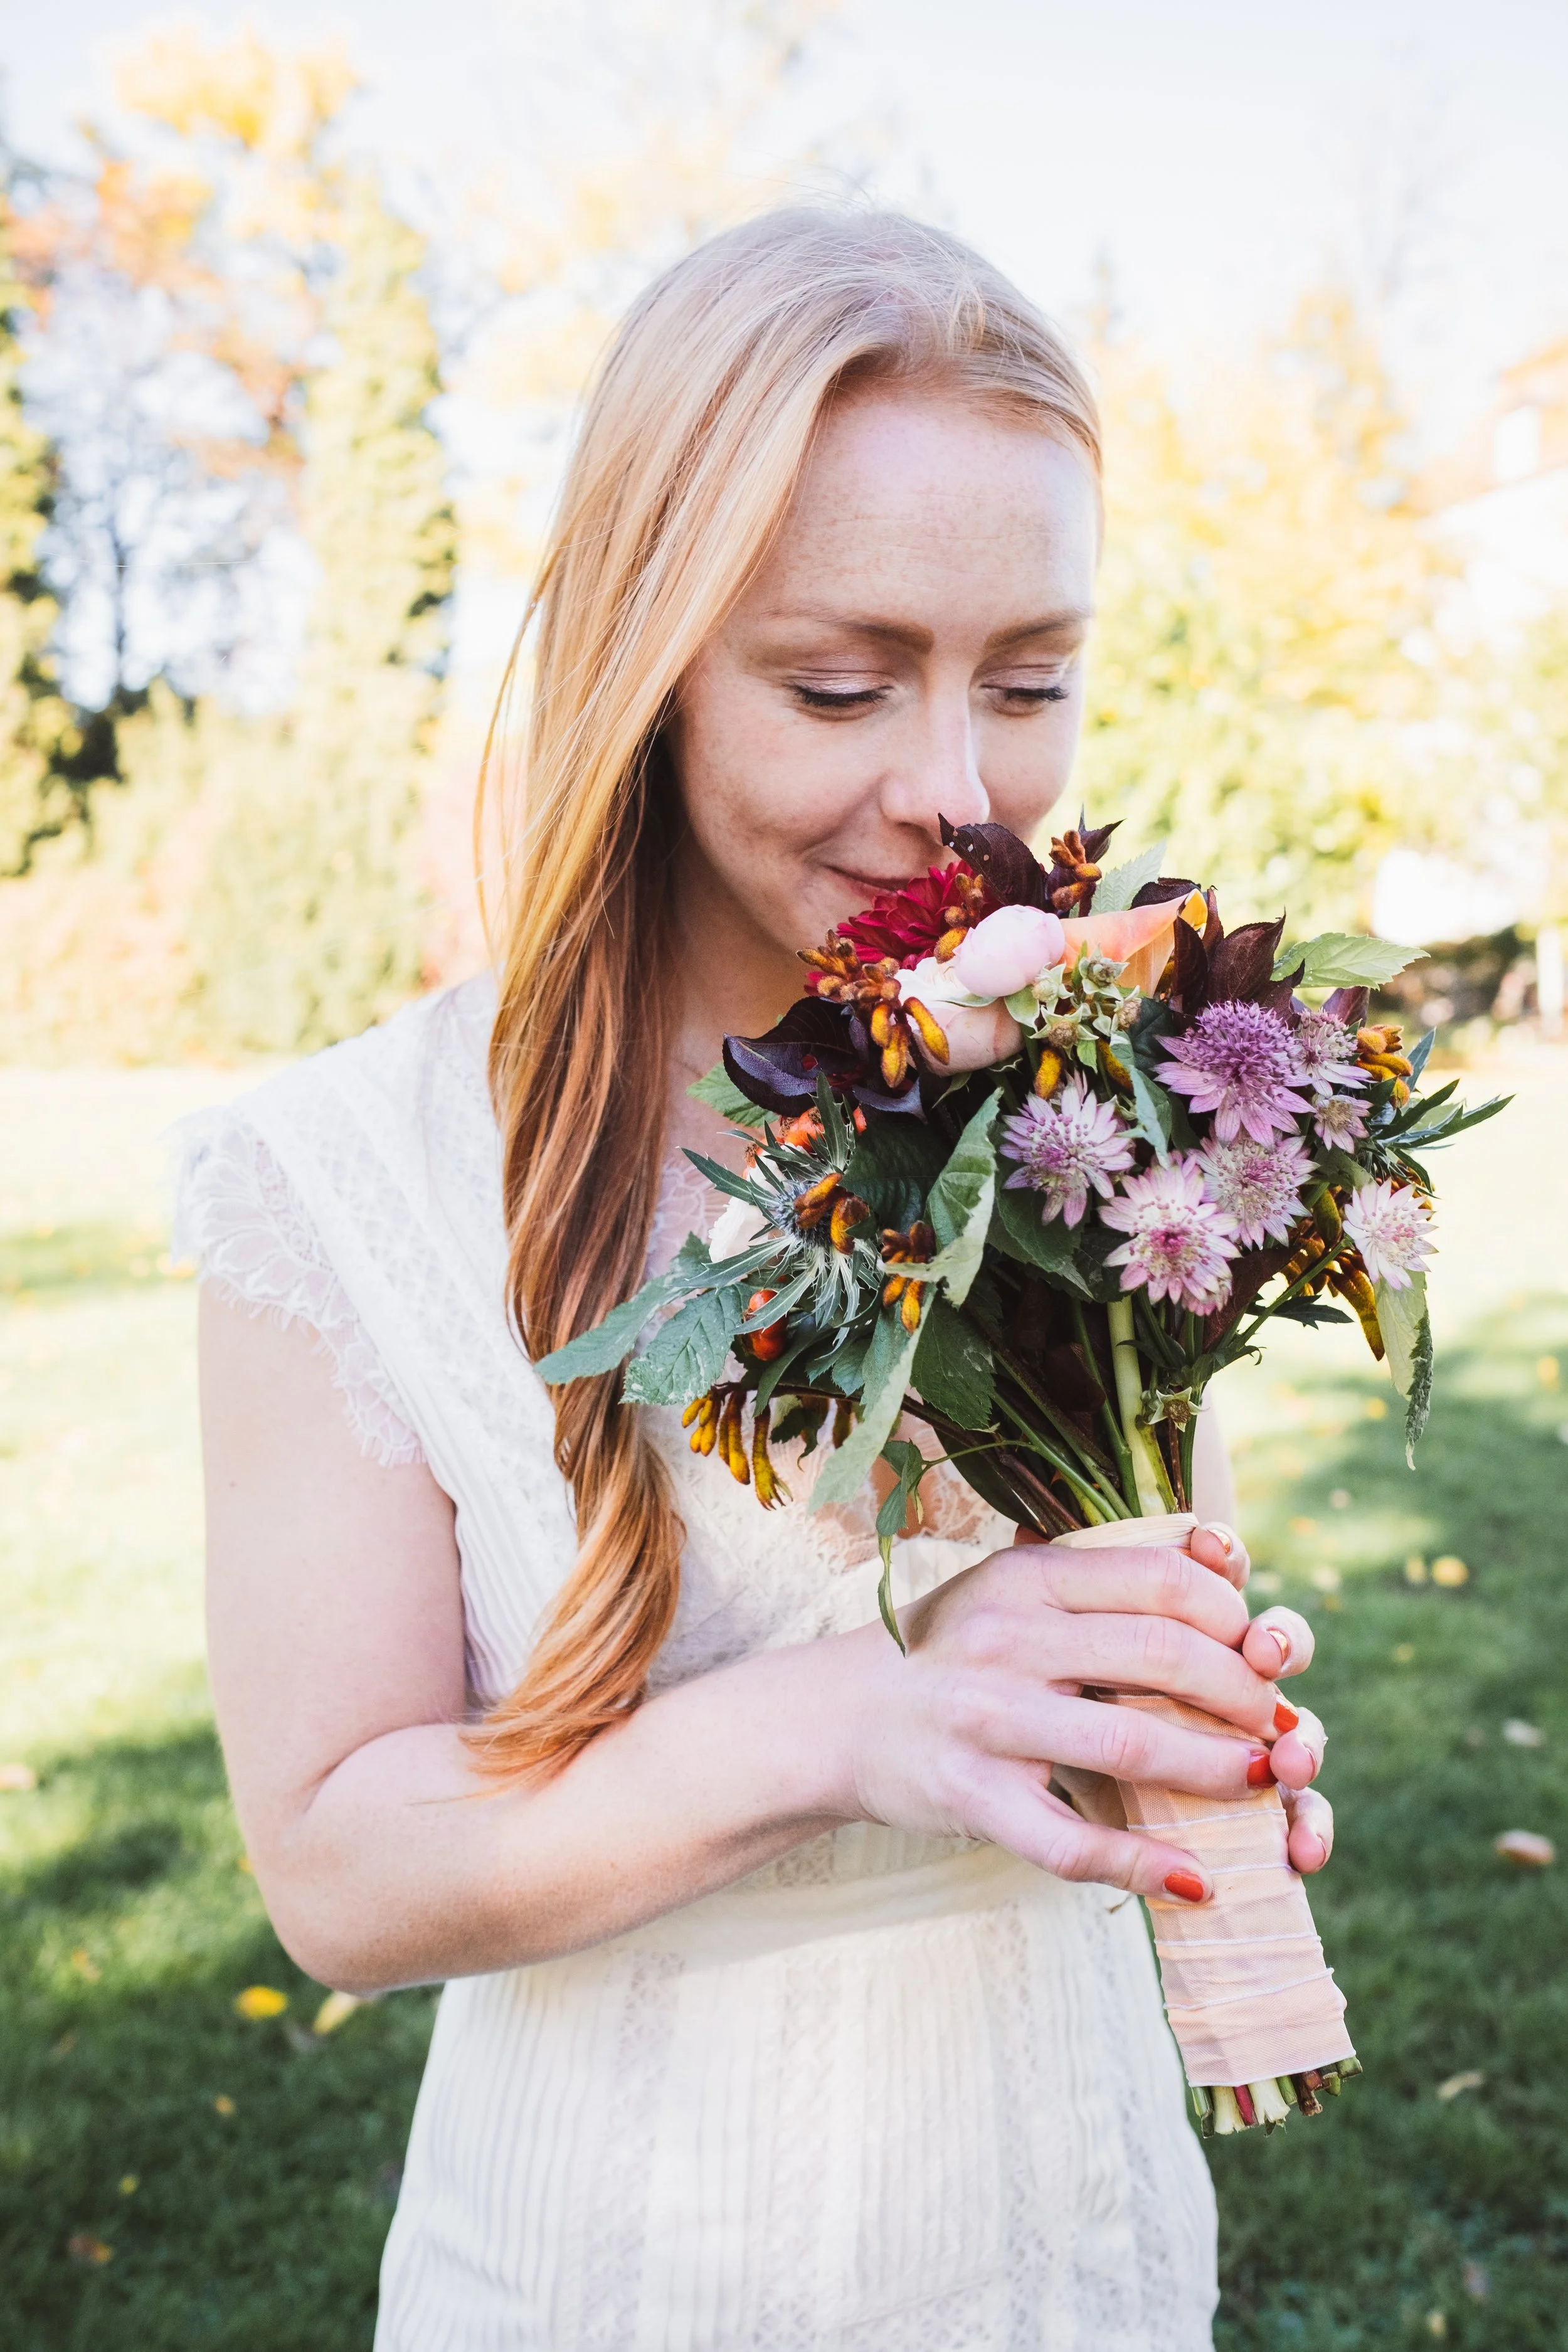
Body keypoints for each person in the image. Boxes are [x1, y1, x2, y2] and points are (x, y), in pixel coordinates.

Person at [177, 208, 1333, 2351]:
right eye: (834, 681)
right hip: (613, 2263)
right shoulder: (336, 1173)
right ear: (649, 652)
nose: (955, 797)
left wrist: (1170, 1714)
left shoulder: (1089, 1084)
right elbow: (339, 1870)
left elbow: (1131, 1595)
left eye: (1028, 681)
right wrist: (853, 1716)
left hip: (1063, 2238)